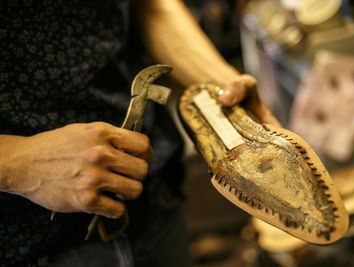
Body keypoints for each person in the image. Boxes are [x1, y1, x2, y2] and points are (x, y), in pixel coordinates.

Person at [0, 0, 278, 266]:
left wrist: (224, 86)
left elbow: (149, 6)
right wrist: (15, 162)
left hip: (156, 205)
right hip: (27, 242)